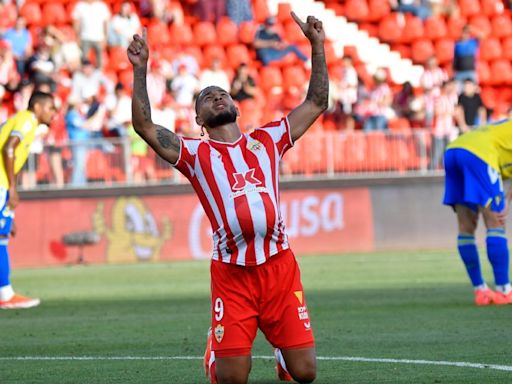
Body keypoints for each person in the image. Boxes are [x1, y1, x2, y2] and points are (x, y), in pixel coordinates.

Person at [128, 11, 328, 383]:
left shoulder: (268, 139)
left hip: (279, 267)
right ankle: (215, 348)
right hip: (232, 274)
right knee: (232, 379)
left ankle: (284, 357)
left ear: (235, 106)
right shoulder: (194, 154)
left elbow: (317, 102)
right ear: (199, 121)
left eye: (221, 94)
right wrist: (141, 69)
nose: (216, 97)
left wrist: (317, 46)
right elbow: (144, 126)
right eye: (207, 98)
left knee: (306, 373)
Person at [443, 119, 512, 306]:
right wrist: (506, 200)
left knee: (466, 226)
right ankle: (505, 290)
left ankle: (480, 290)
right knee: (496, 222)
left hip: (453, 150)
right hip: (479, 154)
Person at [0, 91, 56, 309]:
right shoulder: (26, 120)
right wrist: (12, 188)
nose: (54, 113)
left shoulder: (19, 120)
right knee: (1, 240)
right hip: (2, 184)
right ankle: (5, 294)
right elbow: (8, 147)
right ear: (38, 107)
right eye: (51, 108)